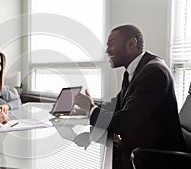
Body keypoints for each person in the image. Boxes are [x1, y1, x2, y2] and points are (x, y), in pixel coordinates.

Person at [73, 24, 185, 169]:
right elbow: (117, 105)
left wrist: (92, 109)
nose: (107, 50)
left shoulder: (154, 72)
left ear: (131, 44)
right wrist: (88, 109)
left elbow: (125, 123)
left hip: (157, 158)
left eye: (111, 44)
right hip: (139, 151)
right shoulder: (133, 71)